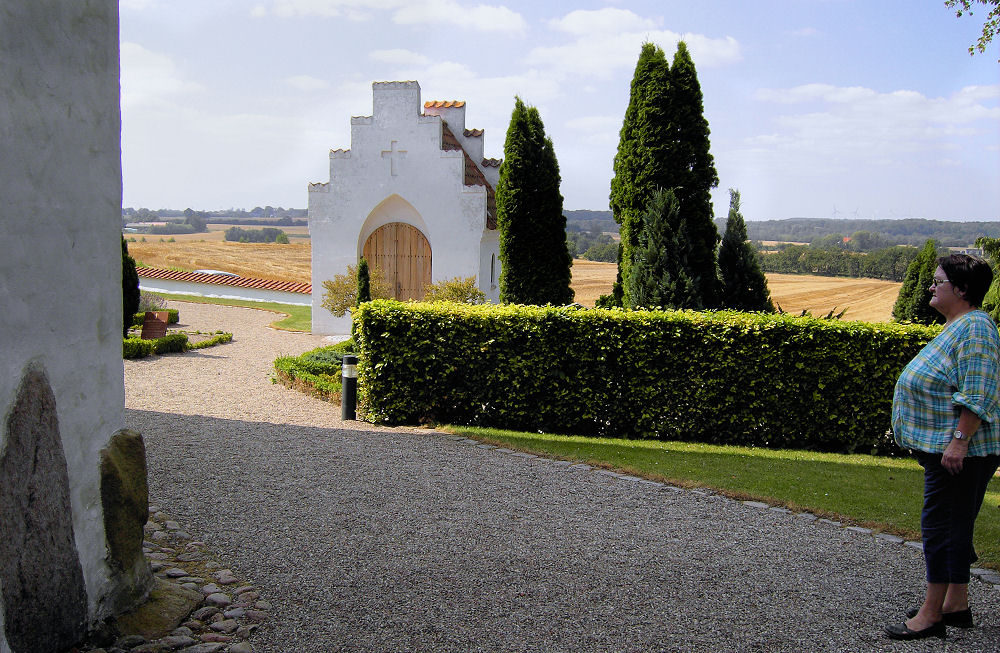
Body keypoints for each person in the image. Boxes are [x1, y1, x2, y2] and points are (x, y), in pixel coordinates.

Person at [885, 254, 1000, 640]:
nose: (931, 286)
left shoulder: (976, 327)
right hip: (952, 450)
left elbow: (979, 391)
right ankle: (955, 605)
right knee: (955, 524)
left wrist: (959, 442)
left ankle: (931, 615)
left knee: (941, 528)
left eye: (939, 281)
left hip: (962, 452)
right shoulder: (959, 325)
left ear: (962, 289)